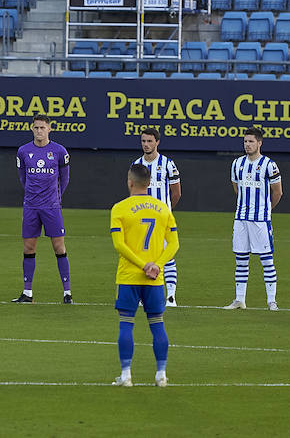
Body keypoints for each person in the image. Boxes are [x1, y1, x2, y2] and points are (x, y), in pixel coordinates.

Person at [109, 163, 179, 388]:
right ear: (149, 184)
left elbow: (119, 245)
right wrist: (156, 265)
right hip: (155, 279)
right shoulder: (163, 208)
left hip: (129, 277)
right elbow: (174, 244)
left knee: (126, 324)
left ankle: (126, 375)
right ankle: (161, 375)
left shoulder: (119, 208)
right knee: (157, 324)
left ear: (130, 182)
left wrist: (142, 265)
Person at [13, 116, 72, 304]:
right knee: (29, 248)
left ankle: (67, 293)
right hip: (31, 206)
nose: (39, 131)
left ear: (49, 129)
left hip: (52, 207)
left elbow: (65, 178)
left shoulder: (59, 151)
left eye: (42, 128)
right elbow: (23, 178)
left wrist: (55, 196)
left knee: (59, 248)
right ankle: (27, 293)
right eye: (36, 127)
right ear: (32, 129)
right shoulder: (23, 151)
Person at [225, 126, 283, 312]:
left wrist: (266, 209)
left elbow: (278, 192)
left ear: (259, 142)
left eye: (251, 141)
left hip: (260, 220)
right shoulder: (237, 164)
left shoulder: (269, 165)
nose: (247, 145)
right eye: (245, 141)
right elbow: (236, 188)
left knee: (266, 260)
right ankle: (239, 299)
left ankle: (271, 301)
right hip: (241, 218)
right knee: (241, 259)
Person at [132, 127, 182, 306]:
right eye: (143, 141)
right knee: (142, 257)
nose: (146, 144)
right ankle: (143, 296)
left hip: (162, 220)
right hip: (141, 220)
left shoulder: (168, 164)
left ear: (157, 142)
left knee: (167, 256)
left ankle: (171, 296)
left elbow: (176, 193)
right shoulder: (136, 164)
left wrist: (166, 211)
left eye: (149, 141)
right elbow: (133, 192)